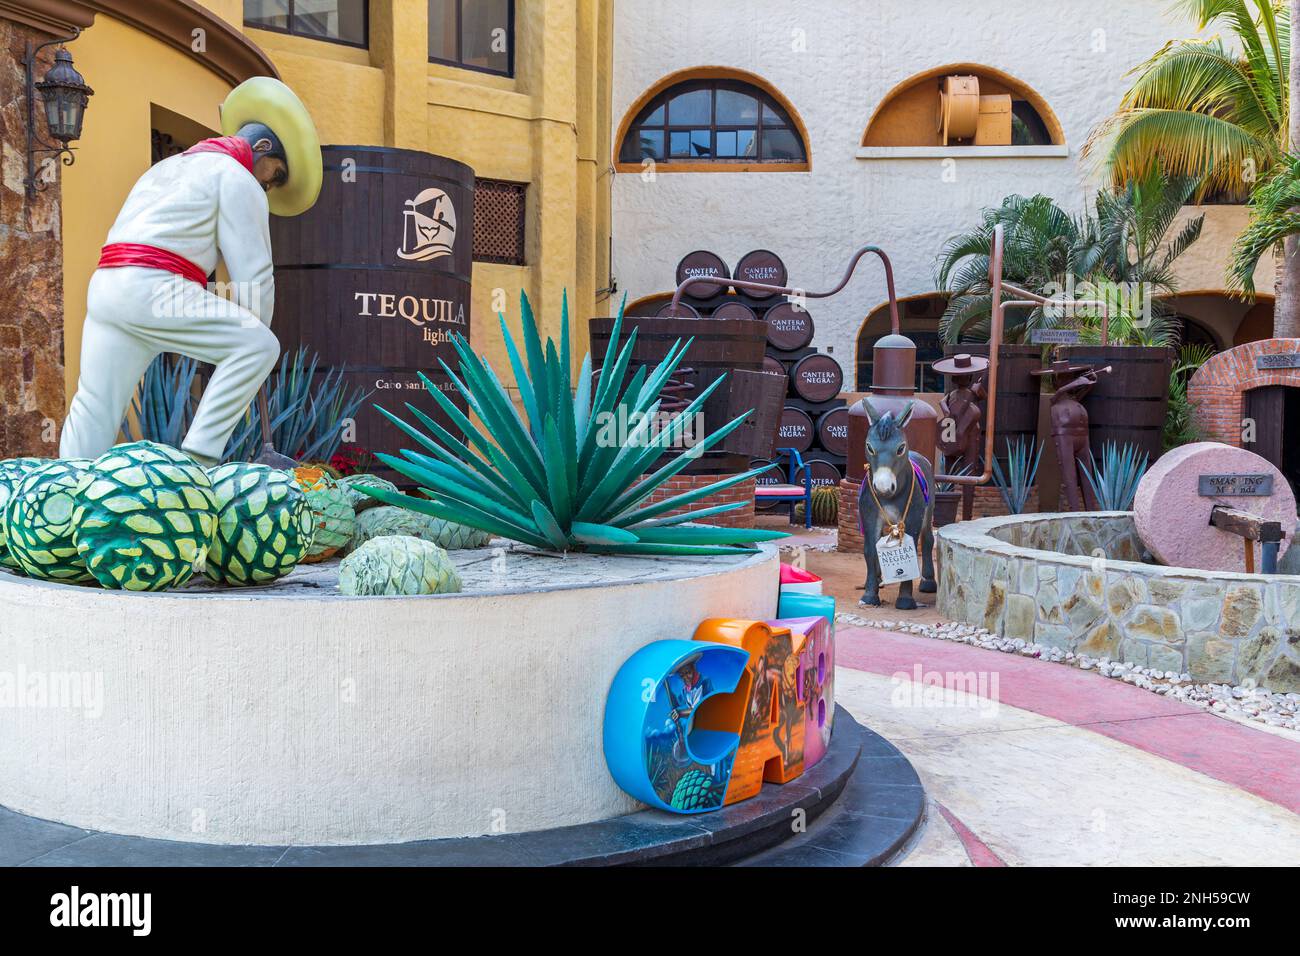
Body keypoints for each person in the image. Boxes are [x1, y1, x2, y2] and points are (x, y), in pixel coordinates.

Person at [60, 77, 322, 467]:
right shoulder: (237, 178)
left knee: (95, 402)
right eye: (276, 174)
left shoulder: (166, 167)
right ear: (262, 148)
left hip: (107, 289)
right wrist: (254, 334)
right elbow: (255, 276)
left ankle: (66, 488)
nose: (269, 185)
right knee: (259, 346)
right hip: (157, 289)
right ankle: (200, 460)